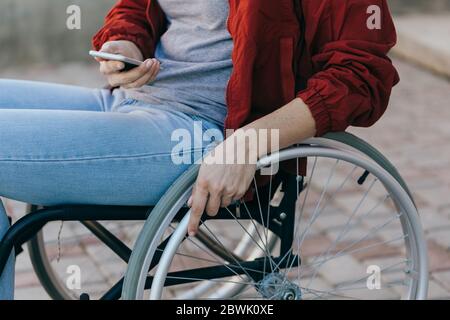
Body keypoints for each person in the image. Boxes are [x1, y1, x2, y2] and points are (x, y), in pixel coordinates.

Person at [0, 0, 399, 299]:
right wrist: (124, 47)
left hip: (198, 133)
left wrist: (250, 141)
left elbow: (361, 75)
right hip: (132, 101)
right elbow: (138, 8)